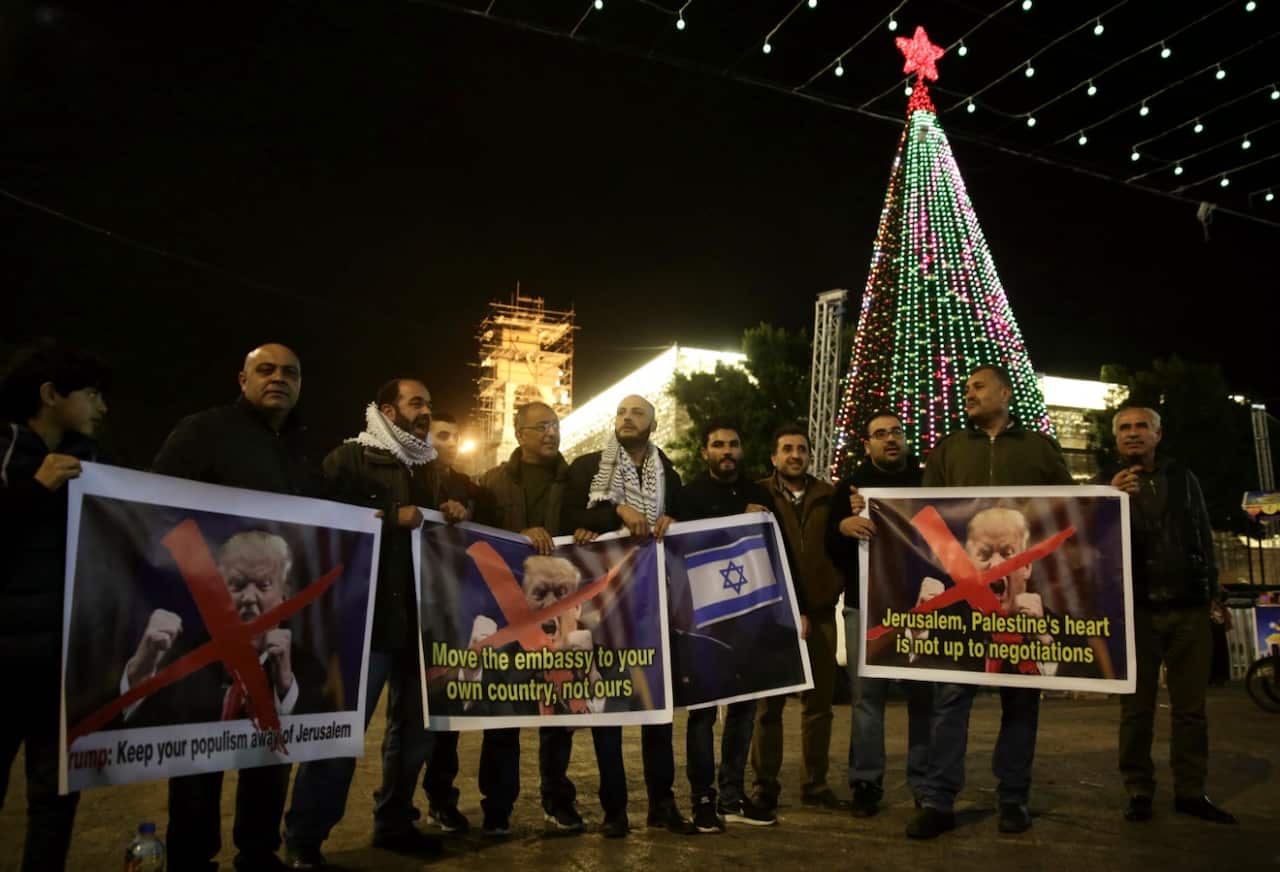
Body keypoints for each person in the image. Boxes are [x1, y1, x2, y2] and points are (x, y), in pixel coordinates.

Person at [151, 342, 320, 872]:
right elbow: (159, 507)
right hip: (208, 623)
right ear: (242, 379)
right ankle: (191, 856)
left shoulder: (301, 449)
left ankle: (258, 851)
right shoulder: (203, 431)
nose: (278, 379)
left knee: (270, 747)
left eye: (290, 372)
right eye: (265, 370)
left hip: (276, 623)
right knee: (202, 750)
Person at [284, 378, 451, 869]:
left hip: (420, 623)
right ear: (387, 409)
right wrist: (384, 517)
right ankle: (304, 838)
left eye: (428, 403)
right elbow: (321, 522)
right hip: (365, 620)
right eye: (415, 402)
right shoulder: (349, 459)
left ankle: (394, 822)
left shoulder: (432, 467)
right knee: (339, 731)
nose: (425, 411)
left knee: (415, 735)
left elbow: (447, 520)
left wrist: (459, 508)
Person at [908, 363, 1073, 840]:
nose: (969, 394)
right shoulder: (950, 450)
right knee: (951, 701)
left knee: (1021, 700)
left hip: (1017, 603)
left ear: (1004, 392)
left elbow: (1073, 506)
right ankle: (939, 801)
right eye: (966, 389)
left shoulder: (1039, 449)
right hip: (962, 601)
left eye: (978, 387)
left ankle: (1013, 798)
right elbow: (921, 513)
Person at [561, 394, 693, 837]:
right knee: (609, 705)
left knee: (658, 709)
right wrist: (615, 510)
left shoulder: (668, 471)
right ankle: (614, 809)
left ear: (652, 425)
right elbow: (569, 514)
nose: (627, 418)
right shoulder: (587, 467)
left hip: (654, 606)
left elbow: (684, 518)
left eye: (637, 413)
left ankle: (662, 804)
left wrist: (671, 518)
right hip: (605, 608)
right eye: (621, 412)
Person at [0, 341, 110, 872]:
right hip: (5, 658)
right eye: (91, 395)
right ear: (50, 395)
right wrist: (32, 491)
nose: (101, 408)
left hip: (64, 661)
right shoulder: (5, 454)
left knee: (57, 793)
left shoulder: (91, 466)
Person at [1099, 406, 1236, 825]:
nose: (1133, 434)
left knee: (1190, 709)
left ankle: (1191, 791)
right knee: (1136, 710)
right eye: (1125, 428)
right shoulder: (1103, 487)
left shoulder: (1183, 479)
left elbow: (1201, 535)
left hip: (1188, 608)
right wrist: (1109, 501)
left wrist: (1214, 596)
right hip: (1135, 612)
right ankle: (1138, 789)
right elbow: (1091, 549)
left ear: (1158, 435)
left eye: (1142, 427)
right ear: (1116, 439)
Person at [469, 401, 582, 836]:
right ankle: (497, 809)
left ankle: (558, 800)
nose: (551, 433)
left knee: (558, 716)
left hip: (558, 617)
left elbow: (595, 521)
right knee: (504, 716)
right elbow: (474, 538)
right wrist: (518, 539)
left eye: (554, 425)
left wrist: (592, 527)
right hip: (508, 618)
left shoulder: (577, 482)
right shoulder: (492, 483)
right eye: (540, 427)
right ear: (520, 433)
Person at [825, 412, 932, 818]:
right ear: (866, 444)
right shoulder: (850, 487)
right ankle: (866, 781)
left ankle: (924, 783)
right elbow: (829, 545)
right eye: (880, 434)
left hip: (922, 608)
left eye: (896, 432)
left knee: (923, 695)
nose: (890, 439)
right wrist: (843, 524)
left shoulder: (928, 482)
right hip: (865, 606)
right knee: (867, 698)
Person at [122, 531, 327, 727]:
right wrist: (138, 675)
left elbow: (318, 747)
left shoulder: (307, 670)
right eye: (237, 585)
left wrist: (284, 690)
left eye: (263, 586)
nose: (248, 598)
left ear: (284, 597)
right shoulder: (179, 660)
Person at [681, 420, 779, 831]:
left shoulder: (760, 494)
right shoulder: (688, 496)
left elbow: (777, 553)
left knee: (743, 711)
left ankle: (733, 797)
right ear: (705, 452)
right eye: (717, 444)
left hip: (748, 620)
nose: (726, 451)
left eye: (733, 444)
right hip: (702, 621)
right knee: (703, 714)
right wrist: (736, 518)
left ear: (742, 450)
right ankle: (703, 800)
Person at [751, 425, 845, 816]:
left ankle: (815, 784)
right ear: (773, 457)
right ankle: (764, 786)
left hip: (822, 612)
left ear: (809, 456)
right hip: (774, 615)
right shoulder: (757, 494)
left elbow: (844, 539)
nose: (795, 454)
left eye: (801, 449)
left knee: (819, 705)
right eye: (786, 448)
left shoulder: (830, 496)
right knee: (768, 707)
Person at [420, 411, 476, 836]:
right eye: (444, 435)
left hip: (451, 614)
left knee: (446, 716)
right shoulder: (409, 476)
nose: (451, 442)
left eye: (456, 437)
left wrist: (467, 509)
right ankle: (395, 809)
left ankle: (442, 800)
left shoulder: (467, 485)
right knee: (408, 723)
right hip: (409, 614)